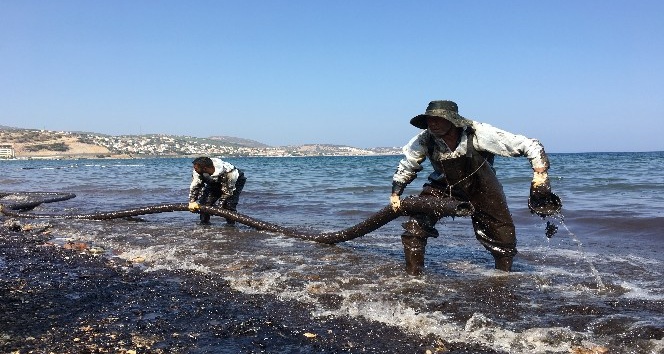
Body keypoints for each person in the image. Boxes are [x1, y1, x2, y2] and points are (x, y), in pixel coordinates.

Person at [390, 100, 561, 275]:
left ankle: (503, 280)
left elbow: (529, 145)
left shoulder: (479, 133)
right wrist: (396, 193)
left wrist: (540, 175)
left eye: (438, 119)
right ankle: (414, 278)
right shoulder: (425, 139)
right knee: (414, 228)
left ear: (452, 120)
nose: (432, 123)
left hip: (483, 188)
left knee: (503, 242)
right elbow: (407, 165)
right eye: (429, 120)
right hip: (443, 186)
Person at [188, 156, 246, 225]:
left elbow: (228, 192)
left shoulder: (230, 173)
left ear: (205, 168)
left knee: (228, 205)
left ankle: (231, 226)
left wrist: (220, 205)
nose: (194, 169)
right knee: (205, 202)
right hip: (214, 181)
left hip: (235, 182)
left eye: (196, 168)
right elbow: (195, 186)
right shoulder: (198, 171)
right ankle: (204, 224)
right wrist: (192, 201)